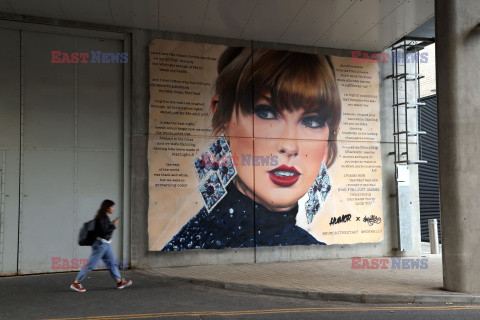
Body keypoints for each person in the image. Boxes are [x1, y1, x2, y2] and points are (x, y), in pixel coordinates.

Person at [162, 47, 341, 251]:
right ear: (222, 115)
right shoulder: (312, 252)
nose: (290, 147)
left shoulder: (190, 236)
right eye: (266, 113)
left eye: (312, 121)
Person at [70, 200, 132, 292]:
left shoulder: (105, 218)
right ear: (107, 208)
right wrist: (113, 226)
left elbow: (105, 233)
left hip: (105, 245)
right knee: (90, 265)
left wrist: (111, 225)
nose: (113, 209)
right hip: (100, 245)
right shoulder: (102, 219)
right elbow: (104, 234)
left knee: (112, 263)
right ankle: (76, 283)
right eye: (112, 207)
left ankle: (119, 282)